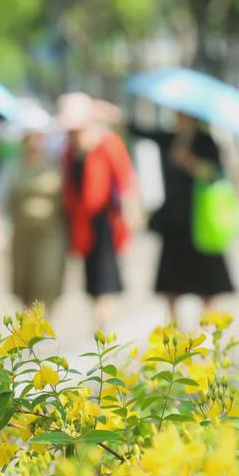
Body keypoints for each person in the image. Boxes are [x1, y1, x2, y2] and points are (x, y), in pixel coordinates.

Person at [131, 112, 234, 321]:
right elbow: (140, 131)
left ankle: (207, 327)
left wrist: (188, 161)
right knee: (170, 280)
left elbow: (212, 174)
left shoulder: (206, 142)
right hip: (173, 218)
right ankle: (173, 325)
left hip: (199, 217)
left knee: (207, 279)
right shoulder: (169, 138)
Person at [58, 92, 137, 328]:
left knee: (105, 277)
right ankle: (99, 318)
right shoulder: (69, 154)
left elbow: (126, 181)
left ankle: (103, 322)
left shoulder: (108, 145)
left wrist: (131, 213)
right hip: (83, 224)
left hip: (106, 221)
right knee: (92, 280)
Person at [9, 103, 67, 312]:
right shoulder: (14, 166)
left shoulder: (57, 164)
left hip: (51, 233)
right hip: (23, 234)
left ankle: (43, 326)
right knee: (25, 282)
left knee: (47, 280)